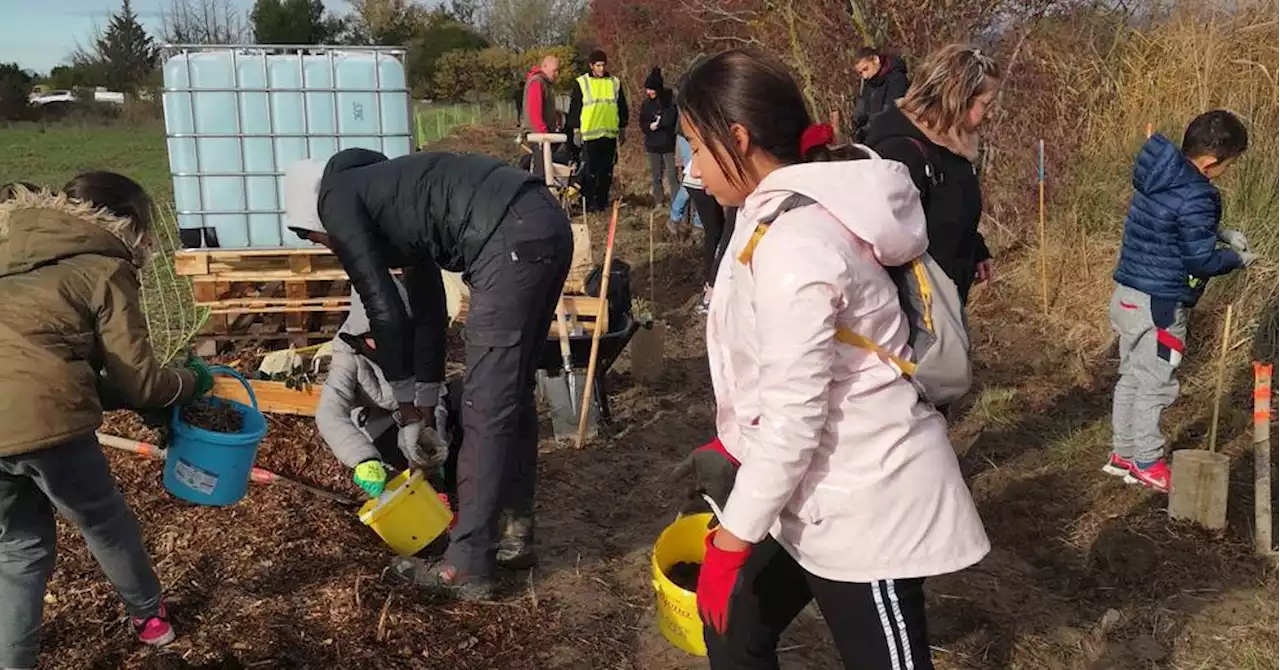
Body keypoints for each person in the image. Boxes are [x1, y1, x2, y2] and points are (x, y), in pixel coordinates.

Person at [675, 49, 990, 669]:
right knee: (735, 625)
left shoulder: (799, 242)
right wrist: (736, 438)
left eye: (697, 146)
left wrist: (733, 540)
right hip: (803, 492)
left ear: (737, 137)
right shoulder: (768, 211)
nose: (692, 167)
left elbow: (796, 418)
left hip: (866, 500)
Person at [282, 148, 572, 601]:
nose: (327, 247)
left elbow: (386, 312)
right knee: (511, 392)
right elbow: (429, 310)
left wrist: (407, 412)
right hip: (544, 223)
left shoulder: (337, 203)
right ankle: (514, 530)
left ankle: (468, 565)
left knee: (484, 404)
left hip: (506, 238)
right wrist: (421, 406)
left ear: (313, 220)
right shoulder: (394, 197)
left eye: (317, 240)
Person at [0, 173, 214, 670]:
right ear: (130, 226)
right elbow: (138, 381)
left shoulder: (13, 256)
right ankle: (149, 618)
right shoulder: (103, 266)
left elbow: (55, 364)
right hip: (46, 417)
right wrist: (192, 383)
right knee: (104, 523)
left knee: (18, 547)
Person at [1106, 110, 1254, 493]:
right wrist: (1236, 258)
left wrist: (1219, 233)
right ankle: (1148, 462)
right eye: (1229, 165)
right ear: (1212, 161)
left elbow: (1171, 223)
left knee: (1131, 376)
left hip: (1127, 297)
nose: (1226, 172)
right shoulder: (1199, 194)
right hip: (1162, 304)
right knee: (1156, 383)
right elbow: (1199, 259)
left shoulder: (1159, 176)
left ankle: (1123, 453)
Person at [864, 43, 1000, 306]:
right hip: (913, 319)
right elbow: (882, 249)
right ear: (957, 97)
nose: (991, 113)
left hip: (944, 301)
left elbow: (947, 210)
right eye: (986, 104)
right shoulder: (900, 153)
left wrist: (975, 247)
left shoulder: (952, 141)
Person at [316, 278, 459, 500]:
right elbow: (329, 413)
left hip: (413, 419)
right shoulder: (348, 356)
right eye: (376, 336)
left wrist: (431, 440)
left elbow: (433, 398)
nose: (387, 345)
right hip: (378, 428)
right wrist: (363, 459)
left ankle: (453, 489)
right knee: (401, 476)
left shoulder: (416, 347)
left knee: (462, 404)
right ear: (361, 332)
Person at [567, 49, 628, 213]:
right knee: (589, 171)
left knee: (606, 171)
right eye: (598, 65)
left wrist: (622, 127)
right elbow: (575, 108)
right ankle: (589, 202)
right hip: (589, 134)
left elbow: (621, 106)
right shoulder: (582, 83)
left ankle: (602, 202)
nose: (601, 69)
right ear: (591, 66)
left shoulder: (614, 82)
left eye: (603, 65)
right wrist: (576, 130)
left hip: (609, 135)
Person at [851, 46, 910, 142]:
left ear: (876, 60)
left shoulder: (897, 79)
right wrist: (855, 124)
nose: (864, 76)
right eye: (860, 73)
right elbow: (862, 109)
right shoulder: (868, 83)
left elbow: (892, 112)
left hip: (892, 138)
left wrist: (868, 129)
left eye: (866, 69)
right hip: (871, 136)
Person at [640, 67, 679, 205]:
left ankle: (676, 202)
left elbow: (671, 118)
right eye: (647, 89)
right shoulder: (646, 104)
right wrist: (649, 127)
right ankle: (659, 201)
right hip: (652, 145)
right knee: (656, 176)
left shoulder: (669, 101)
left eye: (651, 89)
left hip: (668, 144)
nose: (649, 92)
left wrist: (660, 123)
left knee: (672, 176)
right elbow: (642, 122)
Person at [522, 55, 562, 180]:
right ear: (544, 67)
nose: (556, 74)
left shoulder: (545, 84)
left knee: (545, 168)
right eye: (554, 70)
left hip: (542, 134)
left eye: (557, 70)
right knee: (542, 172)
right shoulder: (537, 82)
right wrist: (543, 134)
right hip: (538, 135)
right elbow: (535, 112)